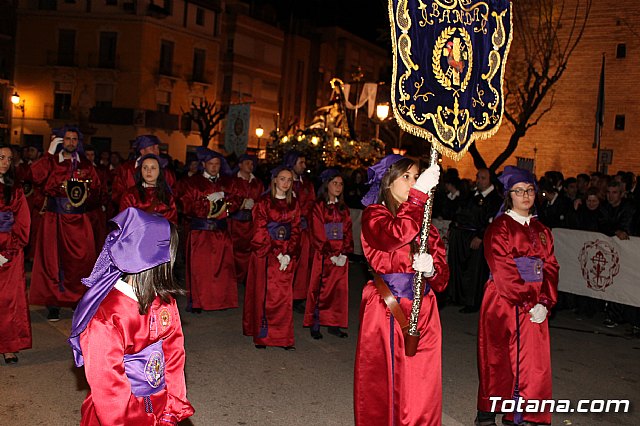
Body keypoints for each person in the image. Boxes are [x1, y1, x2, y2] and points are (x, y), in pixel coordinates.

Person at [68, 208, 194, 425]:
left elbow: (174, 354)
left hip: (161, 404)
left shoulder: (165, 301)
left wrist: (171, 408)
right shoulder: (107, 318)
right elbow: (109, 389)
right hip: (122, 413)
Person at [354, 155, 449, 426]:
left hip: (424, 310)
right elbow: (394, 235)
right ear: (388, 181)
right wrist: (418, 198)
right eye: (406, 177)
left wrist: (431, 269)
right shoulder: (375, 214)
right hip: (387, 310)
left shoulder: (424, 218)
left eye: (416, 177)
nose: (413, 182)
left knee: (421, 382)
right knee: (386, 380)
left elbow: (442, 276)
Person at [476, 166, 559, 426]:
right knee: (499, 357)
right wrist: (527, 300)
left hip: (536, 299)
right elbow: (502, 270)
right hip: (505, 299)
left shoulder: (543, 230)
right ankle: (488, 412)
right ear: (509, 195)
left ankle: (522, 412)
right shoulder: (499, 228)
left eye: (530, 190)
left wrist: (545, 301)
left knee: (532, 360)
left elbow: (551, 266)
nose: (526, 195)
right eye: (519, 191)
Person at [29, 127, 102, 321]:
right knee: (53, 261)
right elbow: (34, 177)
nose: (71, 142)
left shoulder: (86, 164)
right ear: (61, 141)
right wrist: (49, 153)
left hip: (78, 220)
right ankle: (53, 303)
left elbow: (97, 190)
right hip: (55, 218)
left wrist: (86, 195)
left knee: (80, 261)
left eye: (74, 139)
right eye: (67, 139)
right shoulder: (51, 161)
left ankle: (77, 299)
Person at [243, 166, 301, 350]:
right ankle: (264, 336)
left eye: (289, 180)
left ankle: (283, 337)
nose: (285, 183)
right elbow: (260, 230)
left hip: (286, 256)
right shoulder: (264, 203)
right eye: (282, 179)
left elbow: (297, 230)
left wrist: (289, 252)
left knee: (284, 296)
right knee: (266, 294)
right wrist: (277, 252)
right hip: (267, 254)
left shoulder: (294, 204)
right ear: (275, 180)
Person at [180, 148, 240, 312]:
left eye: (217, 164)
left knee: (223, 268)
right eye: (211, 164)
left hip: (221, 232)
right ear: (204, 164)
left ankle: (221, 301)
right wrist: (208, 205)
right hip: (201, 232)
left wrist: (223, 206)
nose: (214, 167)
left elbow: (234, 204)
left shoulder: (227, 183)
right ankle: (198, 302)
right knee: (201, 269)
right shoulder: (193, 183)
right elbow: (186, 206)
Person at [303, 169, 353, 339]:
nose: (338, 187)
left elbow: (347, 231)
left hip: (340, 256)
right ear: (327, 185)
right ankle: (315, 323)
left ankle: (334, 323)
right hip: (323, 255)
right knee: (320, 289)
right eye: (334, 183)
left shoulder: (343, 208)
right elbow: (316, 231)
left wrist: (344, 252)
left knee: (338, 290)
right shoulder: (318, 206)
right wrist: (330, 253)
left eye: (341, 184)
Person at [447, 168, 502, 312]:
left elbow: (492, 221)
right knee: (458, 266)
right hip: (462, 235)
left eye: (483, 178)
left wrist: (481, 236)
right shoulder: (471, 195)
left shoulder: (495, 199)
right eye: (478, 177)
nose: (479, 181)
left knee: (474, 270)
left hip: (476, 237)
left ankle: (473, 301)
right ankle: (457, 296)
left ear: (490, 180)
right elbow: (460, 212)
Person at [0, 144, 31, 364]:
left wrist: (9, 251)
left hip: (10, 249)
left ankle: (8, 345)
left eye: (9, 159)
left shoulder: (16, 189)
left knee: (9, 300)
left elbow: (23, 222)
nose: (5, 162)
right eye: (1, 157)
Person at [283, 151, 316, 311]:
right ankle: (283, 295)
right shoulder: (286, 183)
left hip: (304, 230)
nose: (304, 166)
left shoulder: (307, 185)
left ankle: (297, 297)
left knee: (303, 265)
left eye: (304, 162)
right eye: (300, 162)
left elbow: (312, 205)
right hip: (288, 230)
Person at [229, 154, 264, 284]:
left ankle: (246, 277)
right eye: (247, 163)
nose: (250, 166)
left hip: (251, 223)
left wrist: (256, 205)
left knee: (249, 250)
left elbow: (262, 201)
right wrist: (241, 203)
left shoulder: (258, 183)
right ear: (240, 165)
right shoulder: (232, 181)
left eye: (252, 163)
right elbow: (228, 199)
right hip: (235, 223)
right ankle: (233, 277)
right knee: (234, 250)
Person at [112, 135, 176, 206]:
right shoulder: (126, 169)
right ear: (142, 151)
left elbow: (172, 194)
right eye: (152, 148)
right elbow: (117, 194)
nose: (156, 151)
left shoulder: (165, 171)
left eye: (157, 148)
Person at [119, 154, 178, 224]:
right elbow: (123, 221)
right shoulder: (130, 194)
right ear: (140, 171)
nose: (148, 171)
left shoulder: (167, 196)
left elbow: (172, 223)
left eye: (153, 168)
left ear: (159, 171)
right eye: (145, 168)